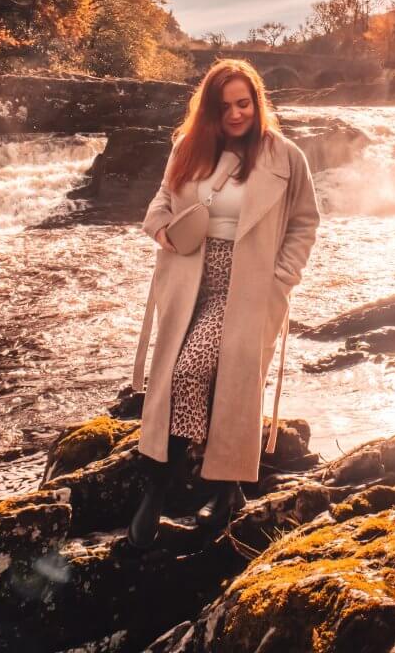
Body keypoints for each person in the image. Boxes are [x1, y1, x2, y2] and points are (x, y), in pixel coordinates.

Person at [127, 58, 320, 549]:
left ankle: (164, 488)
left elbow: (305, 221)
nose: (235, 114)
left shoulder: (285, 156)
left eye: (244, 103)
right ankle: (225, 490)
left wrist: (282, 278)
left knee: (198, 371)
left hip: (250, 285)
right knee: (188, 376)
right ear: (209, 109)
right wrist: (161, 231)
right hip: (187, 278)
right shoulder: (188, 148)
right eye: (225, 105)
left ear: (257, 102)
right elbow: (161, 200)